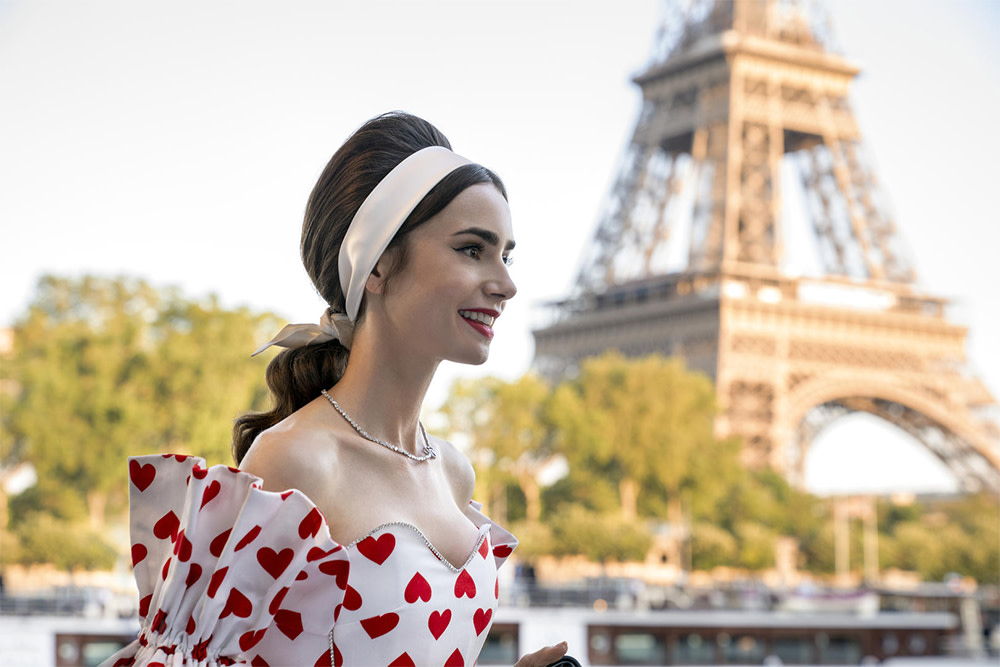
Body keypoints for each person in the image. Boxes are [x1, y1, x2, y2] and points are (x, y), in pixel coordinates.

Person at [102, 112, 569, 667]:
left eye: (506, 255)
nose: (506, 284)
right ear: (376, 265)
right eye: (472, 249)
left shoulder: (454, 472)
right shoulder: (295, 461)